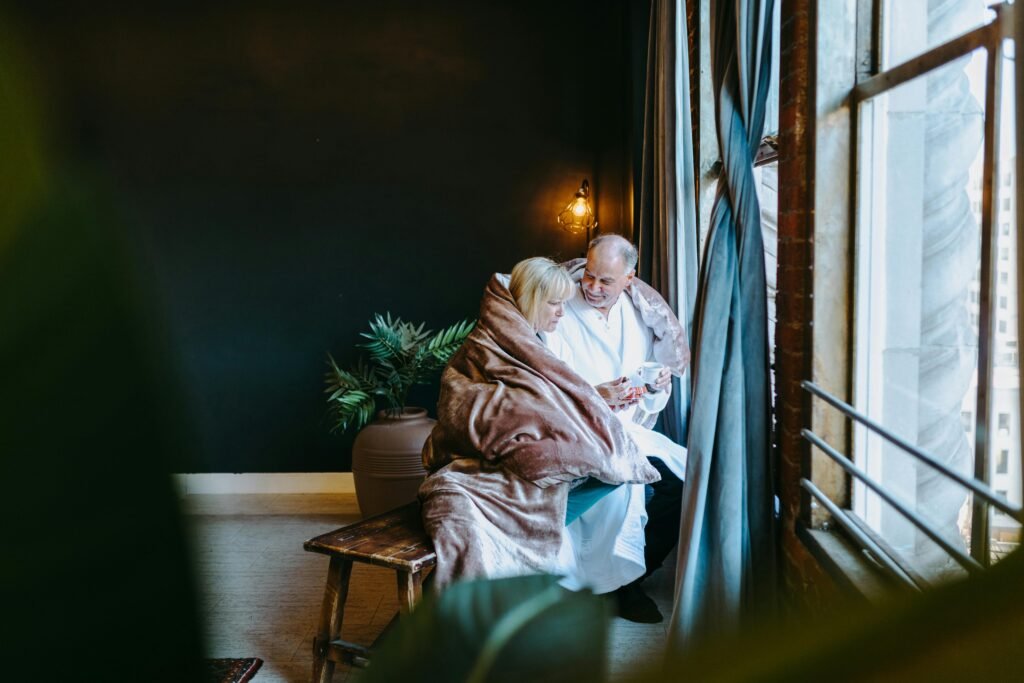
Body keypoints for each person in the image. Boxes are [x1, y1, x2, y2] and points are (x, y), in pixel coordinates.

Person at [419, 257, 661, 593]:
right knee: (610, 473)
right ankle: (521, 553)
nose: (562, 312)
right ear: (532, 299)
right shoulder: (489, 345)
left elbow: (550, 400)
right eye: (554, 303)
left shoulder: (532, 342)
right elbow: (472, 406)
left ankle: (540, 554)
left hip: (525, 460)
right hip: (483, 466)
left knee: (621, 472)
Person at [543, 234, 689, 623]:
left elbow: (647, 388)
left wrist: (654, 388)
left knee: (683, 482)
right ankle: (608, 586)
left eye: (605, 281)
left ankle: (632, 577)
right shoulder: (559, 311)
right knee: (620, 488)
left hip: (627, 429)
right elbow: (542, 385)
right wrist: (595, 395)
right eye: (588, 276)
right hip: (574, 429)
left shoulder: (638, 315)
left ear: (629, 278)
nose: (592, 288)